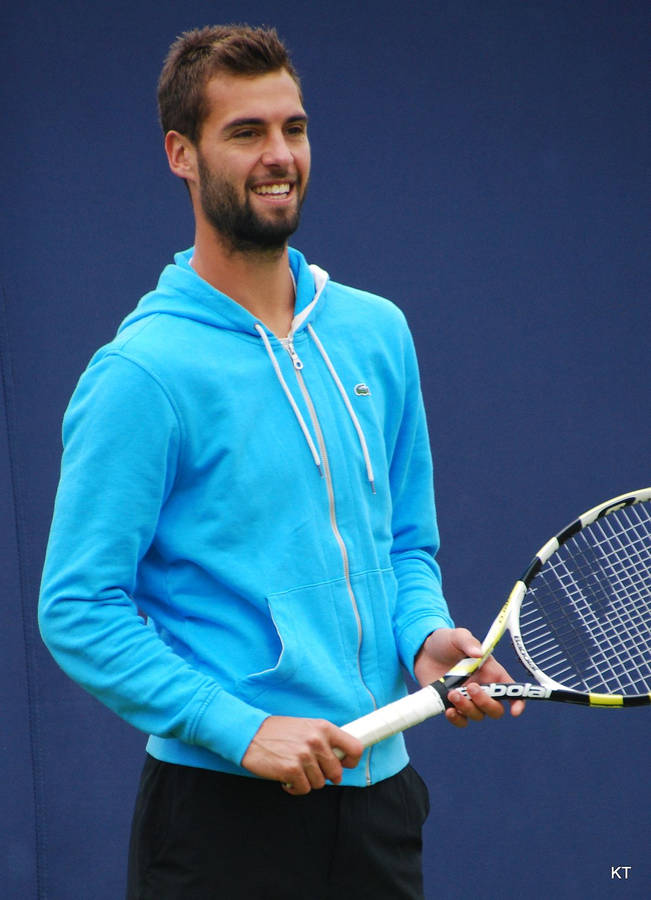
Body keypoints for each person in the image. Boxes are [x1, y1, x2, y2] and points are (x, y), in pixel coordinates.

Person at [39, 24, 524, 900]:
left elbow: (405, 543)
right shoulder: (142, 374)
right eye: (245, 132)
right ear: (180, 154)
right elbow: (78, 607)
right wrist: (241, 727)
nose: (278, 156)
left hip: (380, 805)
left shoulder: (377, 331)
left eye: (292, 128)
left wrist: (423, 634)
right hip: (221, 821)